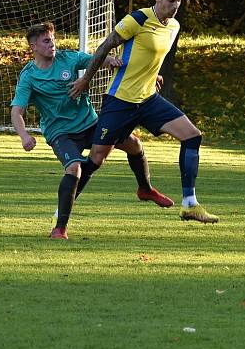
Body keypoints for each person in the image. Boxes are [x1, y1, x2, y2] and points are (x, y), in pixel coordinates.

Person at [69, 0, 219, 224]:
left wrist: (153, 73)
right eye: (170, 0)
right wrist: (86, 79)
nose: (174, 6)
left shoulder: (173, 27)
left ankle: (189, 204)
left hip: (148, 99)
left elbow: (151, 55)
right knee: (96, 158)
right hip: (120, 100)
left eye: (178, 2)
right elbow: (105, 46)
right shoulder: (137, 19)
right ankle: (63, 210)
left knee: (192, 136)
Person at [11, 22, 174, 240]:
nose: (53, 45)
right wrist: (24, 136)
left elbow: (99, 59)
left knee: (134, 144)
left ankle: (145, 189)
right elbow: (17, 111)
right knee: (74, 169)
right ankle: (59, 229)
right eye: (46, 41)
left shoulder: (68, 58)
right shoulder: (29, 76)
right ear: (34, 47)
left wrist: (134, 70)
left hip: (90, 123)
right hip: (61, 133)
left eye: (53, 39)